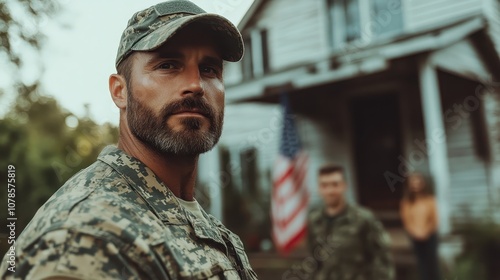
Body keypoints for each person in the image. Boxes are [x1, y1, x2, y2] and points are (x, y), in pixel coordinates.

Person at [0, 1, 258, 279]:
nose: (195, 85)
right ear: (120, 91)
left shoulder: (207, 228)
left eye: (209, 69)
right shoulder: (86, 238)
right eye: (168, 65)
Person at [307, 165, 395, 280]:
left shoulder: (363, 218)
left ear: (344, 186)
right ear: (319, 189)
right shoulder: (315, 220)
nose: (330, 191)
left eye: (335, 184)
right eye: (324, 185)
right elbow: (314, 261)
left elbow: (382, 259)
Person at [400, 173, 440, 280]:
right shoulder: (406, 202)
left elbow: (434, 220)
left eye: (418, 182)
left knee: (432, 263)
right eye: (413, 182)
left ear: (423, 183)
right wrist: (416, 233)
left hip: (430, 236)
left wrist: (426, 232)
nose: (416, 184)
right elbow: (407, 221)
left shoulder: (430, 200)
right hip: (415, 237)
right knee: (422, 264)